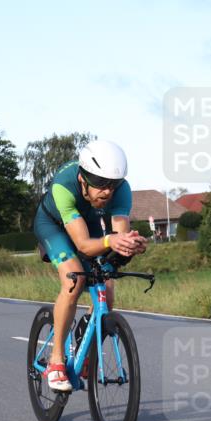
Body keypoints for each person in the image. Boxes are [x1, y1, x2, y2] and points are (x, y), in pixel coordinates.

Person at [32, 140, 147, 392]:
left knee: (107, 284)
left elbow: (117, 240)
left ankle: (85, 345)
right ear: (83, 177)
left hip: (89, 223)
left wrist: (129, 246)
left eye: (112, 185)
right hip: (53, 226)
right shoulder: (64, 186)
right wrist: (111, 240)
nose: (107, 191)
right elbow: (84, 245)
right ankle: (56, 360)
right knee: (74, 279)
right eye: (100, 183)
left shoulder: (122, 191)